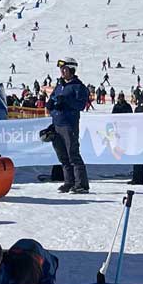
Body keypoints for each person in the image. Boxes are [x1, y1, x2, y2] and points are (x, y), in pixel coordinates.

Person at [46, 57, 90, 193]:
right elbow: (53, 99)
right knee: (62, 155)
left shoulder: (78, 87)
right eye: (61, 69)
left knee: (73, 154)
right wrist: (51, 106)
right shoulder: (60, 85)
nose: (62, 71)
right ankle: (69, 182)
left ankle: (81, 184)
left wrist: (66, 100)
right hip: (57, 123)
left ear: (71, 70)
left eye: (64, 69)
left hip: (69, 124)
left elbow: (81, 105)